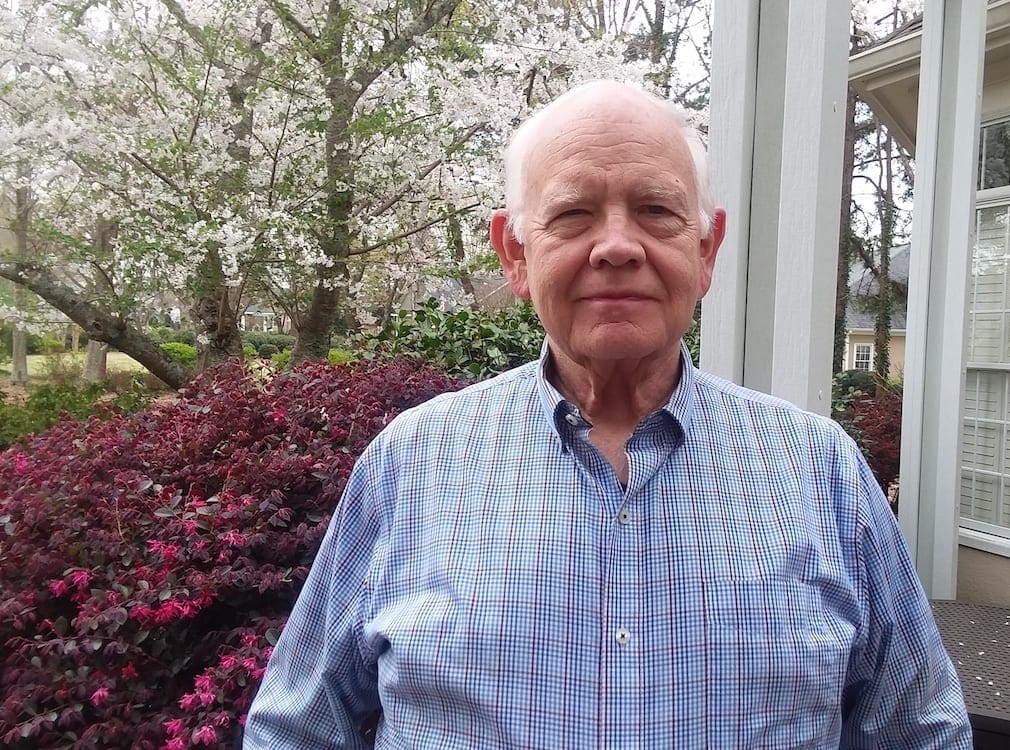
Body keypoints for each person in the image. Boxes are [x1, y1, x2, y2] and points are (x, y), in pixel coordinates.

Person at [243, 80, 973, 749]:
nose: (618, 246)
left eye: (655, 210)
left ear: (706, 249)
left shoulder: (820, 470)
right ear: (515, 254)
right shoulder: (413, 463)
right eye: (572, 214)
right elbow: (295, 728)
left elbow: (920, 730)